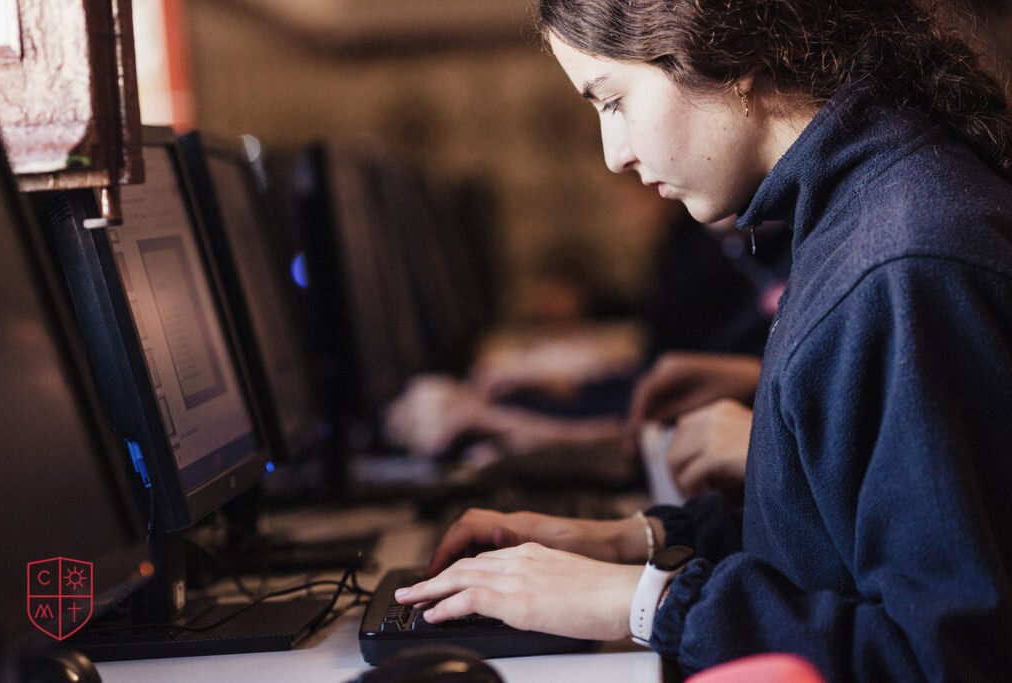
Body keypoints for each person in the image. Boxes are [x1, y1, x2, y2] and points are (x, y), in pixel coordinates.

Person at [395, 0, 1012, 680]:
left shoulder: (899, 264)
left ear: (731, 58)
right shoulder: (860, 216)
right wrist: (636, 540)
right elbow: (829, 535)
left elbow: (943, 659)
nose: (614, 154)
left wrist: (639, 601)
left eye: (615, 102)